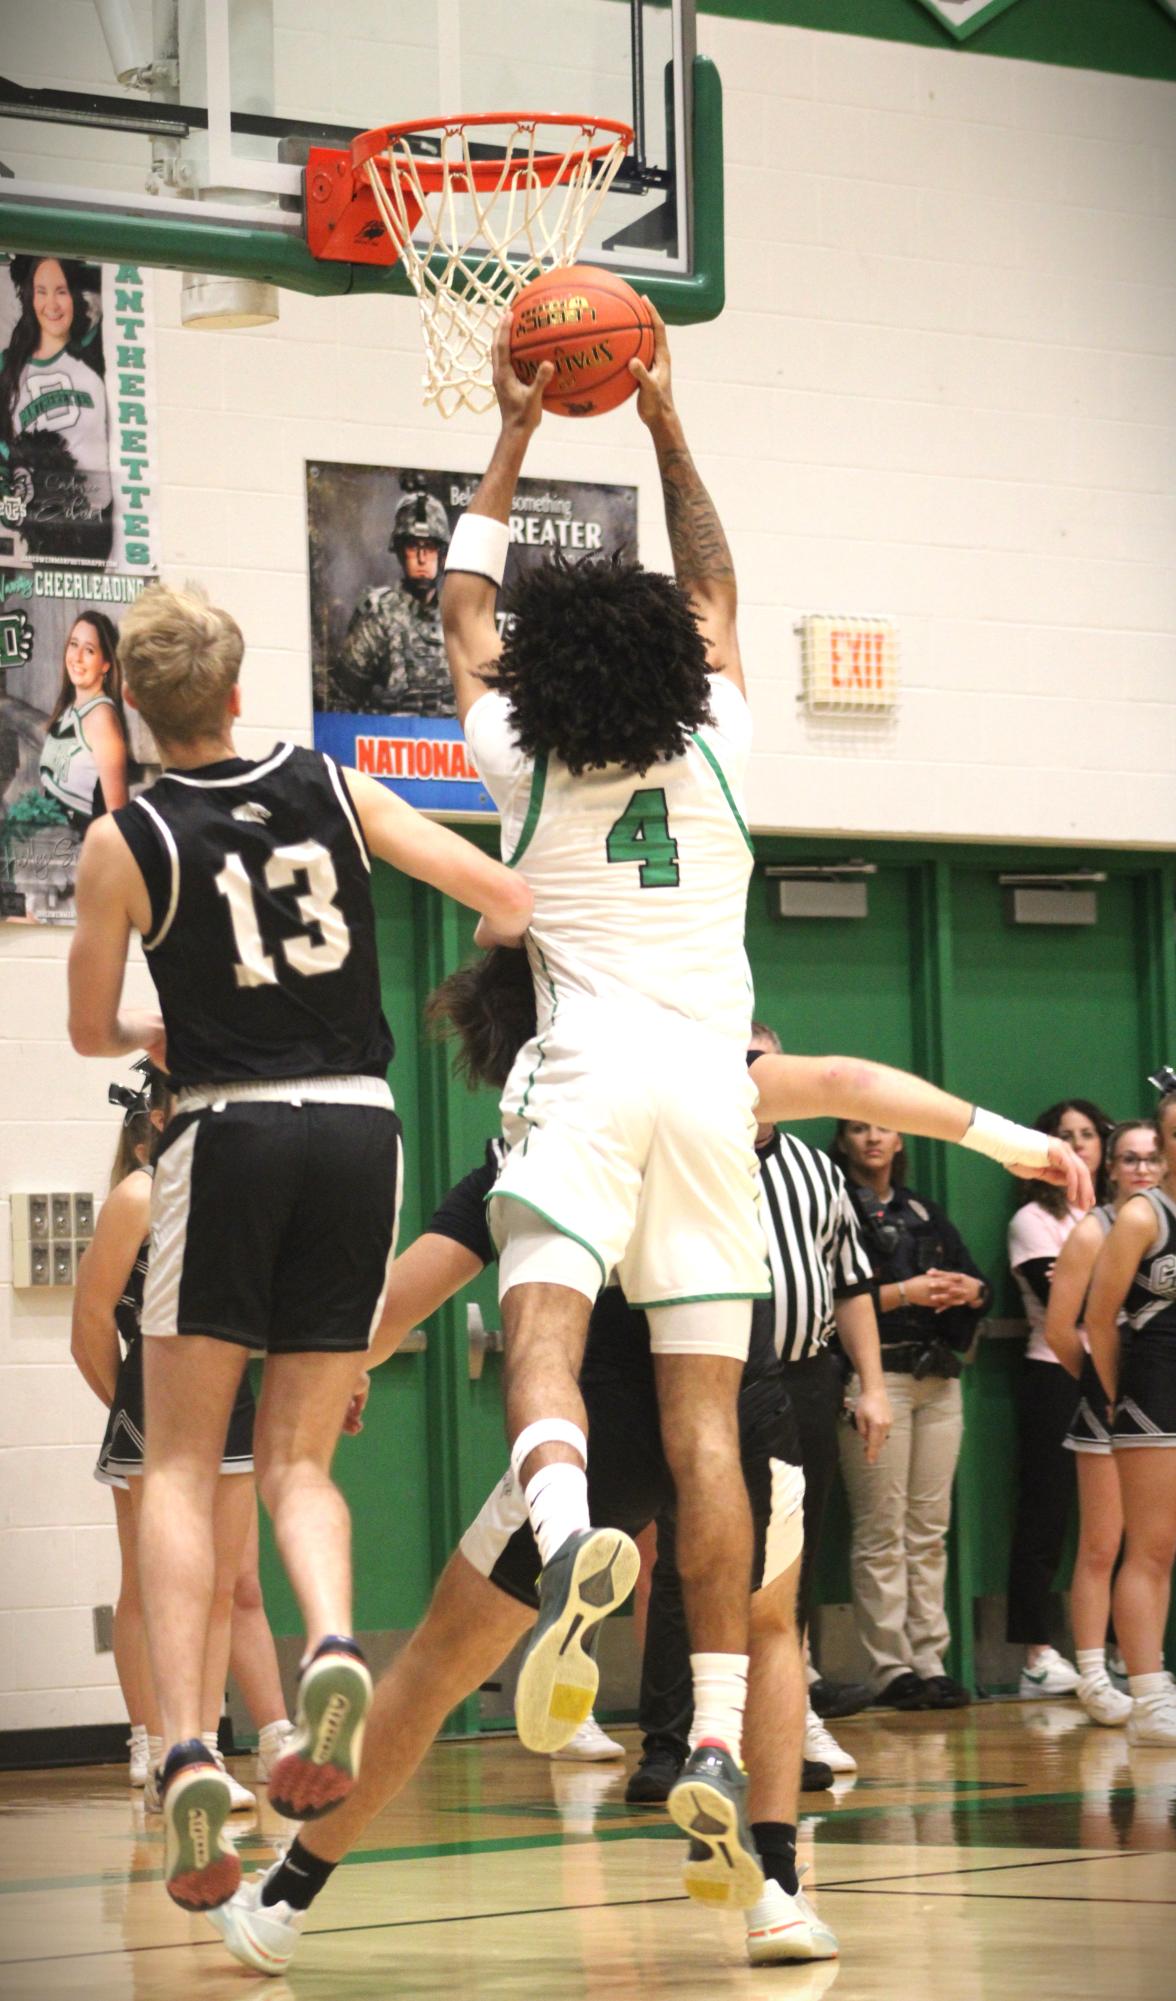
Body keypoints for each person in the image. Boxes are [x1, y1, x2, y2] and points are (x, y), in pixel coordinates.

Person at [205, 949, 1088, 1979]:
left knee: (442, 1661)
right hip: (744, 1395)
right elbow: (849, 1081)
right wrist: (1004, 1138)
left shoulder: (541, 1137)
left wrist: (346, 1368)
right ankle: (775, 1893)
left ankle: (286, 1898)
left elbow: (415, 1283)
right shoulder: (705, 1083)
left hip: (606, 1411)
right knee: (768, 1636)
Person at [66, 579, 532, 1912]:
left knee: (174, 1462)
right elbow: (498, 895)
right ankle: (334, 1639)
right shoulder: (335, 784)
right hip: (361, 1126)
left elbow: (93, 1029)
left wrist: (161, 1030)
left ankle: (194, 1743)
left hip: (231, 1129)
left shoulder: (128, 835)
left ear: (138, 711)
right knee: (299, 1457)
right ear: (233, 686)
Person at [442, 307, 774, 1906]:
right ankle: (710, 1732)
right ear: (682, 661)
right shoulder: (719, 730)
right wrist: (664, 425)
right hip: (719, 1090)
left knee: (547, 1345)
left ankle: (570, 1531)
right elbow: (712, 584)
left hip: (584, 1075)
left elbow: (462, 610)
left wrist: (514, 433)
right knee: (708, 1427)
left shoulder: (520, 748)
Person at [627, 1019, 889, 1804]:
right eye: (738, 1065)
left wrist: (870, 1383)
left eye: (763, 1066)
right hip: (697, 1375)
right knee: (686, 1558)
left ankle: (783, 1727)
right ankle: (669, 1743)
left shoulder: (817, 1169)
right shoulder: (681, 1156)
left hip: (805, 1376)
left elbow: (850, 1281)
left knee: (788, 1567)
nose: (753, 1079)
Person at [72, 1061, 293, 1805]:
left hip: (227, 1397)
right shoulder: (137, 1196)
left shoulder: (230, 1194)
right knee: (151, 1581)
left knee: (224, 1583)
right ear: (160, 1122)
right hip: (153, 1400)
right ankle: (155, 1740)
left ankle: (201, 1746)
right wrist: (128, 1406)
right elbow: (89, 1325)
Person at [833, 1120, 990, 1711]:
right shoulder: (835, 1202)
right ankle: (889, 1667)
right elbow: (835, 1298)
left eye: (884, 1129)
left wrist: (968, 1292)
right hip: (878, 1376)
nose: (873, 1138)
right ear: (843, 1141)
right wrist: (909, 1293)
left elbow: (982, 1286)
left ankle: (930, 1658)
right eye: (858, 1129)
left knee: (928, 1528)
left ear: (901, 1141)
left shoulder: (924, 1210)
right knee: (881, 1527)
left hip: (937, 1377)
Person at [1044, 1119, 1164, 1727]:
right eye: (1129, 1159)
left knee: (1153, 1544)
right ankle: (1091, 1672)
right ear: (1110, 1168)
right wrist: (1105, 1389)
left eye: (1151, 1157)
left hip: (1155, 1401)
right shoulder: (1098, 1229)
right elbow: (1064, 1328)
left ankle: (1140, 1667)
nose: (1142, 1168)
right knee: (1101, 1543)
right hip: (1114, 1399)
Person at [1007, 1099, 1112, 1698]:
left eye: (1088, 1135)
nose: (1079, 1145)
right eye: (1064, 1136)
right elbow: (1069, 1307)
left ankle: (1123, 1652)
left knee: (1118, 1521)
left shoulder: (1129, 1215)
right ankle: (1037, 1654)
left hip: (1120, 1371)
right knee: (1045, 1512)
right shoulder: (1033, 1220)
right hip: (1055, 1373)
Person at [1087, 1087, 1176, 1747]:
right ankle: (1149, 1695)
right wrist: (1122, 1396)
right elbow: (1098, 1317)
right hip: (1155, 1386)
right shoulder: (1144, 1216)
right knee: (1152, 1545)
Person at [0, 254, 113, 564]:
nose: (52, 303)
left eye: (61, 291)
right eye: (41, 291)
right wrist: (11, 490)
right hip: (43, 530)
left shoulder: (96, 352)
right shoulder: (8, 368)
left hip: (98, 524)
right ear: (28, 297)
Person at [330, 492, 451, 715]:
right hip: (390, 744)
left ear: (442, 553)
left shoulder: (458, 619)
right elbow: (341, 700)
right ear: (400, 551)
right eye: (414, 547)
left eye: (430, 547)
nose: (422, 558)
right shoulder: (379, 614)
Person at [39, 610, 129, 829]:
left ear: (105, 664)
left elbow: (118, 818)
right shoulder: (69, 708)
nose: (77, 657)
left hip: (84, 852)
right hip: (56, 850)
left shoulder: (102, 719)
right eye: (73, 644)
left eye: (89, 650)